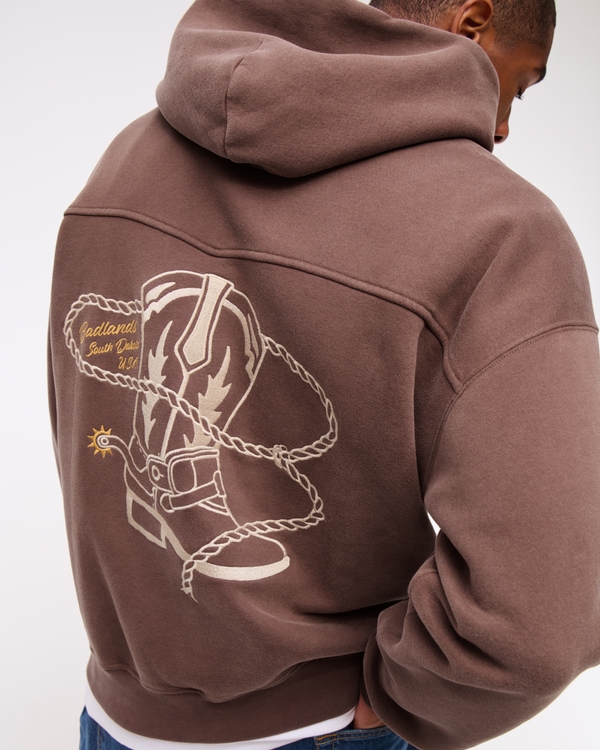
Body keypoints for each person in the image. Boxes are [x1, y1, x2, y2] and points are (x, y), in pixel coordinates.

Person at [48, 0, 600, 748]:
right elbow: (543, 611)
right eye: (522, 85)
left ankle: (178, 474)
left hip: (115, 718)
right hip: (322, 726)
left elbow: (81, 422)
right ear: (472, 23)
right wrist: (403, 700)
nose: (502, 126)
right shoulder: (500, 228)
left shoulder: (129, 157)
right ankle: (181, 473)